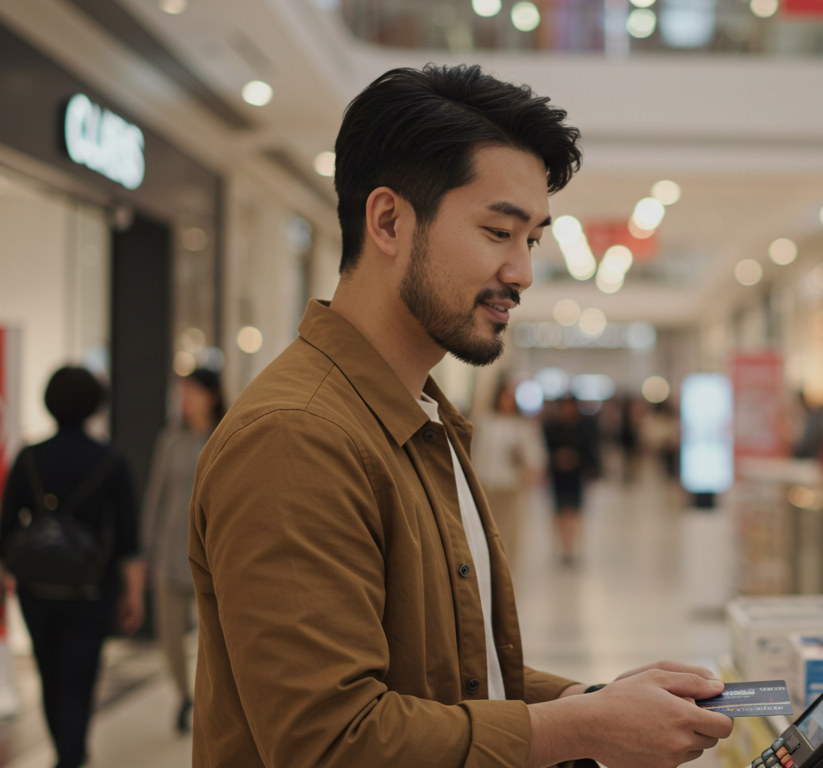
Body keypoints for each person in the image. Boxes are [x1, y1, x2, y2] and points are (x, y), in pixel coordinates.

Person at [189, 65, 732, 768]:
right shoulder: (298, 435)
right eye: (498, 232)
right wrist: (583, 729)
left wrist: (592, 704)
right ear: (388, 220)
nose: (522, 273)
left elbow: (451, 682)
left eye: (531, 239)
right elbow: (328, 743)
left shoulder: (420, 418)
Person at [0, 367, 144, 768]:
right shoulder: (110, 459)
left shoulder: (29, 457)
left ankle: (65, 752)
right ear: (95, 405)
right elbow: (128, 534)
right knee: (80, 677)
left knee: (50, 676)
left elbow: (7, 526)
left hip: (35, 587)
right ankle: (71, 755)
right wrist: (133, 591)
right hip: (90, 587)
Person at [141, 368, 224, 734]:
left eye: (191, 392)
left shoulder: (224, 435)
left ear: (211, 395)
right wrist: (148, 550)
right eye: (181, 393)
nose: (185, 400)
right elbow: (156, 496)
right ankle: (184, 696)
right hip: (170, 555)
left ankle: (212, 702)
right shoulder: (170, 440)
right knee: (170, 638)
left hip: (212, 557)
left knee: (214, 639)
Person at [472, 381, 546, 569]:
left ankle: (505, 566)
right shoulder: (485, 422)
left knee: (508, 529)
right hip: (485, 482)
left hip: (510, 485)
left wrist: (528, 469)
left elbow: (535, 457)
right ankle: (484, 564)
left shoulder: (522, 426)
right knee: (484, 527)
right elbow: (473, 451)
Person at [542, 396, 599, 565]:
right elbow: (544, 452)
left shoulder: (583, 427)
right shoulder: (552, 427)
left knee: (574, 513)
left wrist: (577, 461)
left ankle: (571, 548)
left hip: (576, 477)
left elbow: (590, 452)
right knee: (560, 512)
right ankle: (563, 546)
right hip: (558, 477)